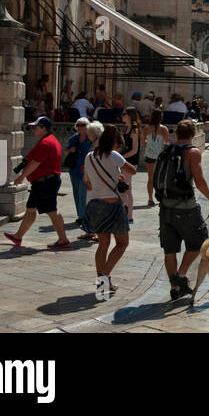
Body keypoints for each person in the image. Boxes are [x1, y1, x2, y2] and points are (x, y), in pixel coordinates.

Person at [155, 120, 209, 301]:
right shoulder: (192, 152)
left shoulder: (165, 151)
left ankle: (175, 288)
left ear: (176, 134)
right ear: (192, 135)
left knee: (170, 249)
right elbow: (199, 179)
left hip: (165, 207)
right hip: (186, 208)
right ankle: (180, 276)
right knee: (200, 242)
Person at [84, 124, 136, 297]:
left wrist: (114, 175)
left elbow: (88, 180)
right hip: (112, 205)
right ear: (114, 143)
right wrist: (118, 170)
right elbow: (133, 170)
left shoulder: (89, 156)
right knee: (122, 243)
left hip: (94, 204)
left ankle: (104, 284)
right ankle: (103, 279)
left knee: (103, 244)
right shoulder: (114, 155)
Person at [5, 117, 71, 249]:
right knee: (30, 210)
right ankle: (18, 236)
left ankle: (63, 240)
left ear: (43, 128)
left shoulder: (46, 143)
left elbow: (35, 163)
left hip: (46, 182)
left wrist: (21, 177)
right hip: (42, 182)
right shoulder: (49, 141)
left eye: (36, 127)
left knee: (51, 210)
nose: (33, 130)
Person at [62, 117, 94, 237]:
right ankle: (79, 215)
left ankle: (82, 216)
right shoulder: (73, 138)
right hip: (74, 169)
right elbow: (65, 152)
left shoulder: (90, 139)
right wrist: (71, 149)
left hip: (86, 169)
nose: (81, 127)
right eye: (79, 125)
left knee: (83, 192)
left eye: (83, 125)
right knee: (76, 192)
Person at [141, 111, 170, 206]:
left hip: (149, 155)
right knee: (161, 177)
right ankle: (162, 197)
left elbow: (142, 143)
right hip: (160, 156)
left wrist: (149, 143)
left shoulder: (146, 129)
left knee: (150, 178)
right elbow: (166, 143)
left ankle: (150, 199)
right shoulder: (164, 129)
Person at [120, 107, 142, 222]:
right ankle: (128, 214)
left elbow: (134, 150)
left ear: (129, 115)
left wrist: (121, 158)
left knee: (126, 188)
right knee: (128, 188)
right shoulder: (126, 128)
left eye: (124, 114)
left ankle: (129, 215)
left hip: (130, 162)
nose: (122, 115)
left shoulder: (134, 130)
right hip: (125, 161)